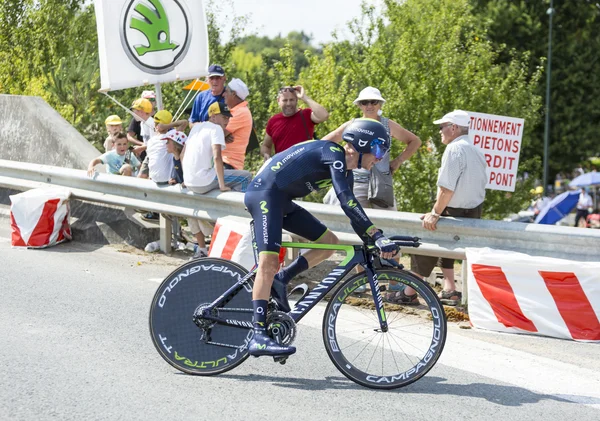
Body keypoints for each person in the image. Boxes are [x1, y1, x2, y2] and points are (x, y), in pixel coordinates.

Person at [244, 118, 399, 357]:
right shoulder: (332, 153)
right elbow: (346, 199)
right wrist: (376, 234)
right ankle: (258, 335)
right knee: (268, 263)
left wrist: (374, 239)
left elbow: (352, 211)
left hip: (281, 201)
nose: (379, 158)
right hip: (264, 195)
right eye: (378, 149)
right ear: (361, 144)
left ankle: (282, 279)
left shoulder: (345, 171)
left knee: (330, 244)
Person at [402, 110, 487, 306]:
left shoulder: (454, 149)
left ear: (454, 128)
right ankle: (450, 289)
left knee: (425, 243)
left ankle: (408, 292)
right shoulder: (477, 149)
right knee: (448, 245)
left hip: (453, 208)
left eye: (442, 127)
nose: (440, 131)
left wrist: (435, 213)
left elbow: (446, 189)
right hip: (474, 211)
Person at [322, 86, 421, 209]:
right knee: (355, 222)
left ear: (380, 104)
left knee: (387, 224)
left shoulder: (388, 125)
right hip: (355, 183)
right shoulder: (352, 125)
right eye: (365, 102)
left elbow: (415, 141)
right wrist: (339, 162)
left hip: (381, 184)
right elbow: (324, 143)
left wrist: (398, 161)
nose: (369, 105)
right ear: (359, 105)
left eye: (373, 102)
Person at [182, 101, 253, 257]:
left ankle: (224, 217)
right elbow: (217, 157)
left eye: (228, 117)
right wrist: (221, 185)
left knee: (227, 177)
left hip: (190, 181)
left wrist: (185, 178)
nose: (227, 121)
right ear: (213, 116)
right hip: (204, 181)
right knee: (245, 177)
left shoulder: (196, 128)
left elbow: (182, 154)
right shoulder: (216, 129)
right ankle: (241, 222)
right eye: (224, 117)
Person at [260, 85, 329, 159]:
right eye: (285, 100)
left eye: (291, 100)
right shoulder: (273, 121)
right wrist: (266, 154)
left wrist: (304, 97)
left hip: (305, 165)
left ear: (296, 100)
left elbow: (324, 115)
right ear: (278, 101)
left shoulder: (306, 114)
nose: (288, 103)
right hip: (283, 167)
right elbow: (266, 145)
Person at [222, 78, 253, 170]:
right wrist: (222, 135)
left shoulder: (241, 112)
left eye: (226, 92)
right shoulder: (237, 111)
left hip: (228, 164)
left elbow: (218, 134)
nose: (223, 94)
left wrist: (222, 134)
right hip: (224, 162)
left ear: (234, 94)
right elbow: (219, 133)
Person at [127, 98, 155, 164]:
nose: (133, 114)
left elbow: (155, 143)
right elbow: (146, 141)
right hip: (149, 155)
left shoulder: (152, 123)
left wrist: (141, 148)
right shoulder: (142, 123)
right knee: (141, 174)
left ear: (141, 112)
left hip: (154, 156)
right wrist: (140, 148)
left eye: (135, 111)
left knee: (143, 174)